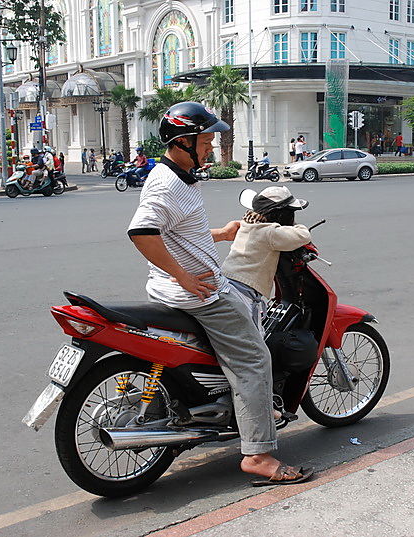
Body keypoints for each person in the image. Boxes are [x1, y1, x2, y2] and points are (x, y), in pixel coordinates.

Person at [127, 101, 313, 486]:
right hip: (202, 294)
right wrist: (183, 277)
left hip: (175, 289)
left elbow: (176, 232)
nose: (211, 146)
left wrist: (221, 235)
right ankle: (259, 454)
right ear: (183, 142)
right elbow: (142, 232)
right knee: (254, 359)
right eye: (207, 140)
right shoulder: (167, 183)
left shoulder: (174, 178)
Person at [222, 186, 311, 333]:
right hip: (244, 292)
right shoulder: (270, 233)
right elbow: (303, 235)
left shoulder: (248, 223)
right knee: (256, 348)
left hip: (229, 282)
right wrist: (292, 225)